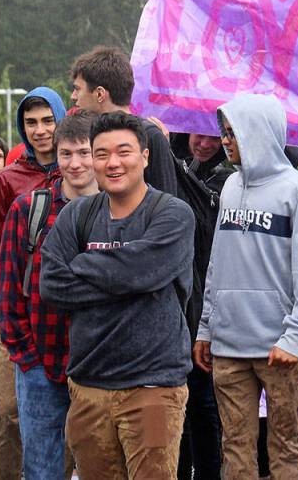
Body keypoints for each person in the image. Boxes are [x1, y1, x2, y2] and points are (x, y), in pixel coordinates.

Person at [40, 112, 195, 478]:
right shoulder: (77, 215)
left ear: (144, 156)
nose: (112, 163)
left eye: (123, 151)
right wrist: (129, 279)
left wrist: (84, 265)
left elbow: (143, 271)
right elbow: (51, 283)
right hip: (88, 386)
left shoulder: (172, 215)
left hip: (152, 386)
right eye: (101, 153)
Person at [193, 94, 298, 480]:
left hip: (280, 350)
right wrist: (206, 328)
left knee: (285, 450)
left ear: (260, 133)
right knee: (234, 450)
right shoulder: (231, 187)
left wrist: (294, 336)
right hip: (228, 346)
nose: (227, 140)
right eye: (225, 132)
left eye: (234, 132)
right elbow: (217, 263)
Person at [0, 111, 99, 480]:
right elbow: (9, 292)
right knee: (42, 469)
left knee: (98, 467)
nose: (75, 164)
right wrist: (27, 357)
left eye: (85, 153)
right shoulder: (29, 210)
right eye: (66, 153)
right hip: (41, 362)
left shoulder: (115, 210)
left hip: (97, 366)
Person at [0, 88, 65, 480]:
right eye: (31, 122)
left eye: (47, 120)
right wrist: (0, 306)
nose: (40, 130)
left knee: (62, 413)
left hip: (61, 315)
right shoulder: (9, 179)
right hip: (17, 315)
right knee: (10, 411)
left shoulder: (77, 170)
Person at [171, 132, 233, 480]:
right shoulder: (177, 167)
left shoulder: (231, 179)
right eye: (199, 136)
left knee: (206, 410)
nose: (205, 145)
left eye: (215, 137)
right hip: (183, 305)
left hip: (212, 309)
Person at [69, 46, 178, 195]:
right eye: (102, 154)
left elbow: (167, 205)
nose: (73, 96)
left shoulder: (151, 136)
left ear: (100, 94)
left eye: (78, 89)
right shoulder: (86, 133)